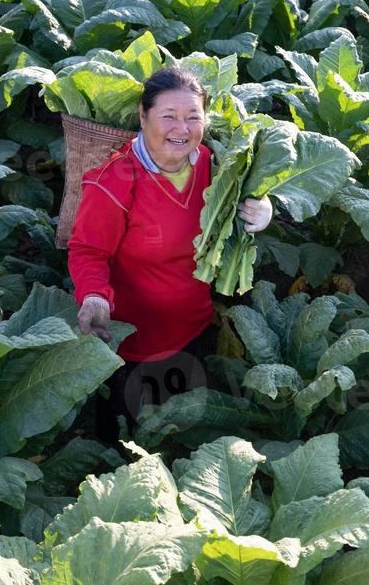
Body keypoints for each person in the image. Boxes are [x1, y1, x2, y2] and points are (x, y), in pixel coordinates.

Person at [67, 67, 272, 440]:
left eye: (193, 117)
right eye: (169, 116)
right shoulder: (113, 180)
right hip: (129, 345)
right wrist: (93, 295)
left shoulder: (213, 165)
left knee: (180, 432)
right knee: (124, 443)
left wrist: (264, 208)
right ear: (143, 117)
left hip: (192, 327)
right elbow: (88, 251)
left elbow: (245, 194)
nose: (182, 129)